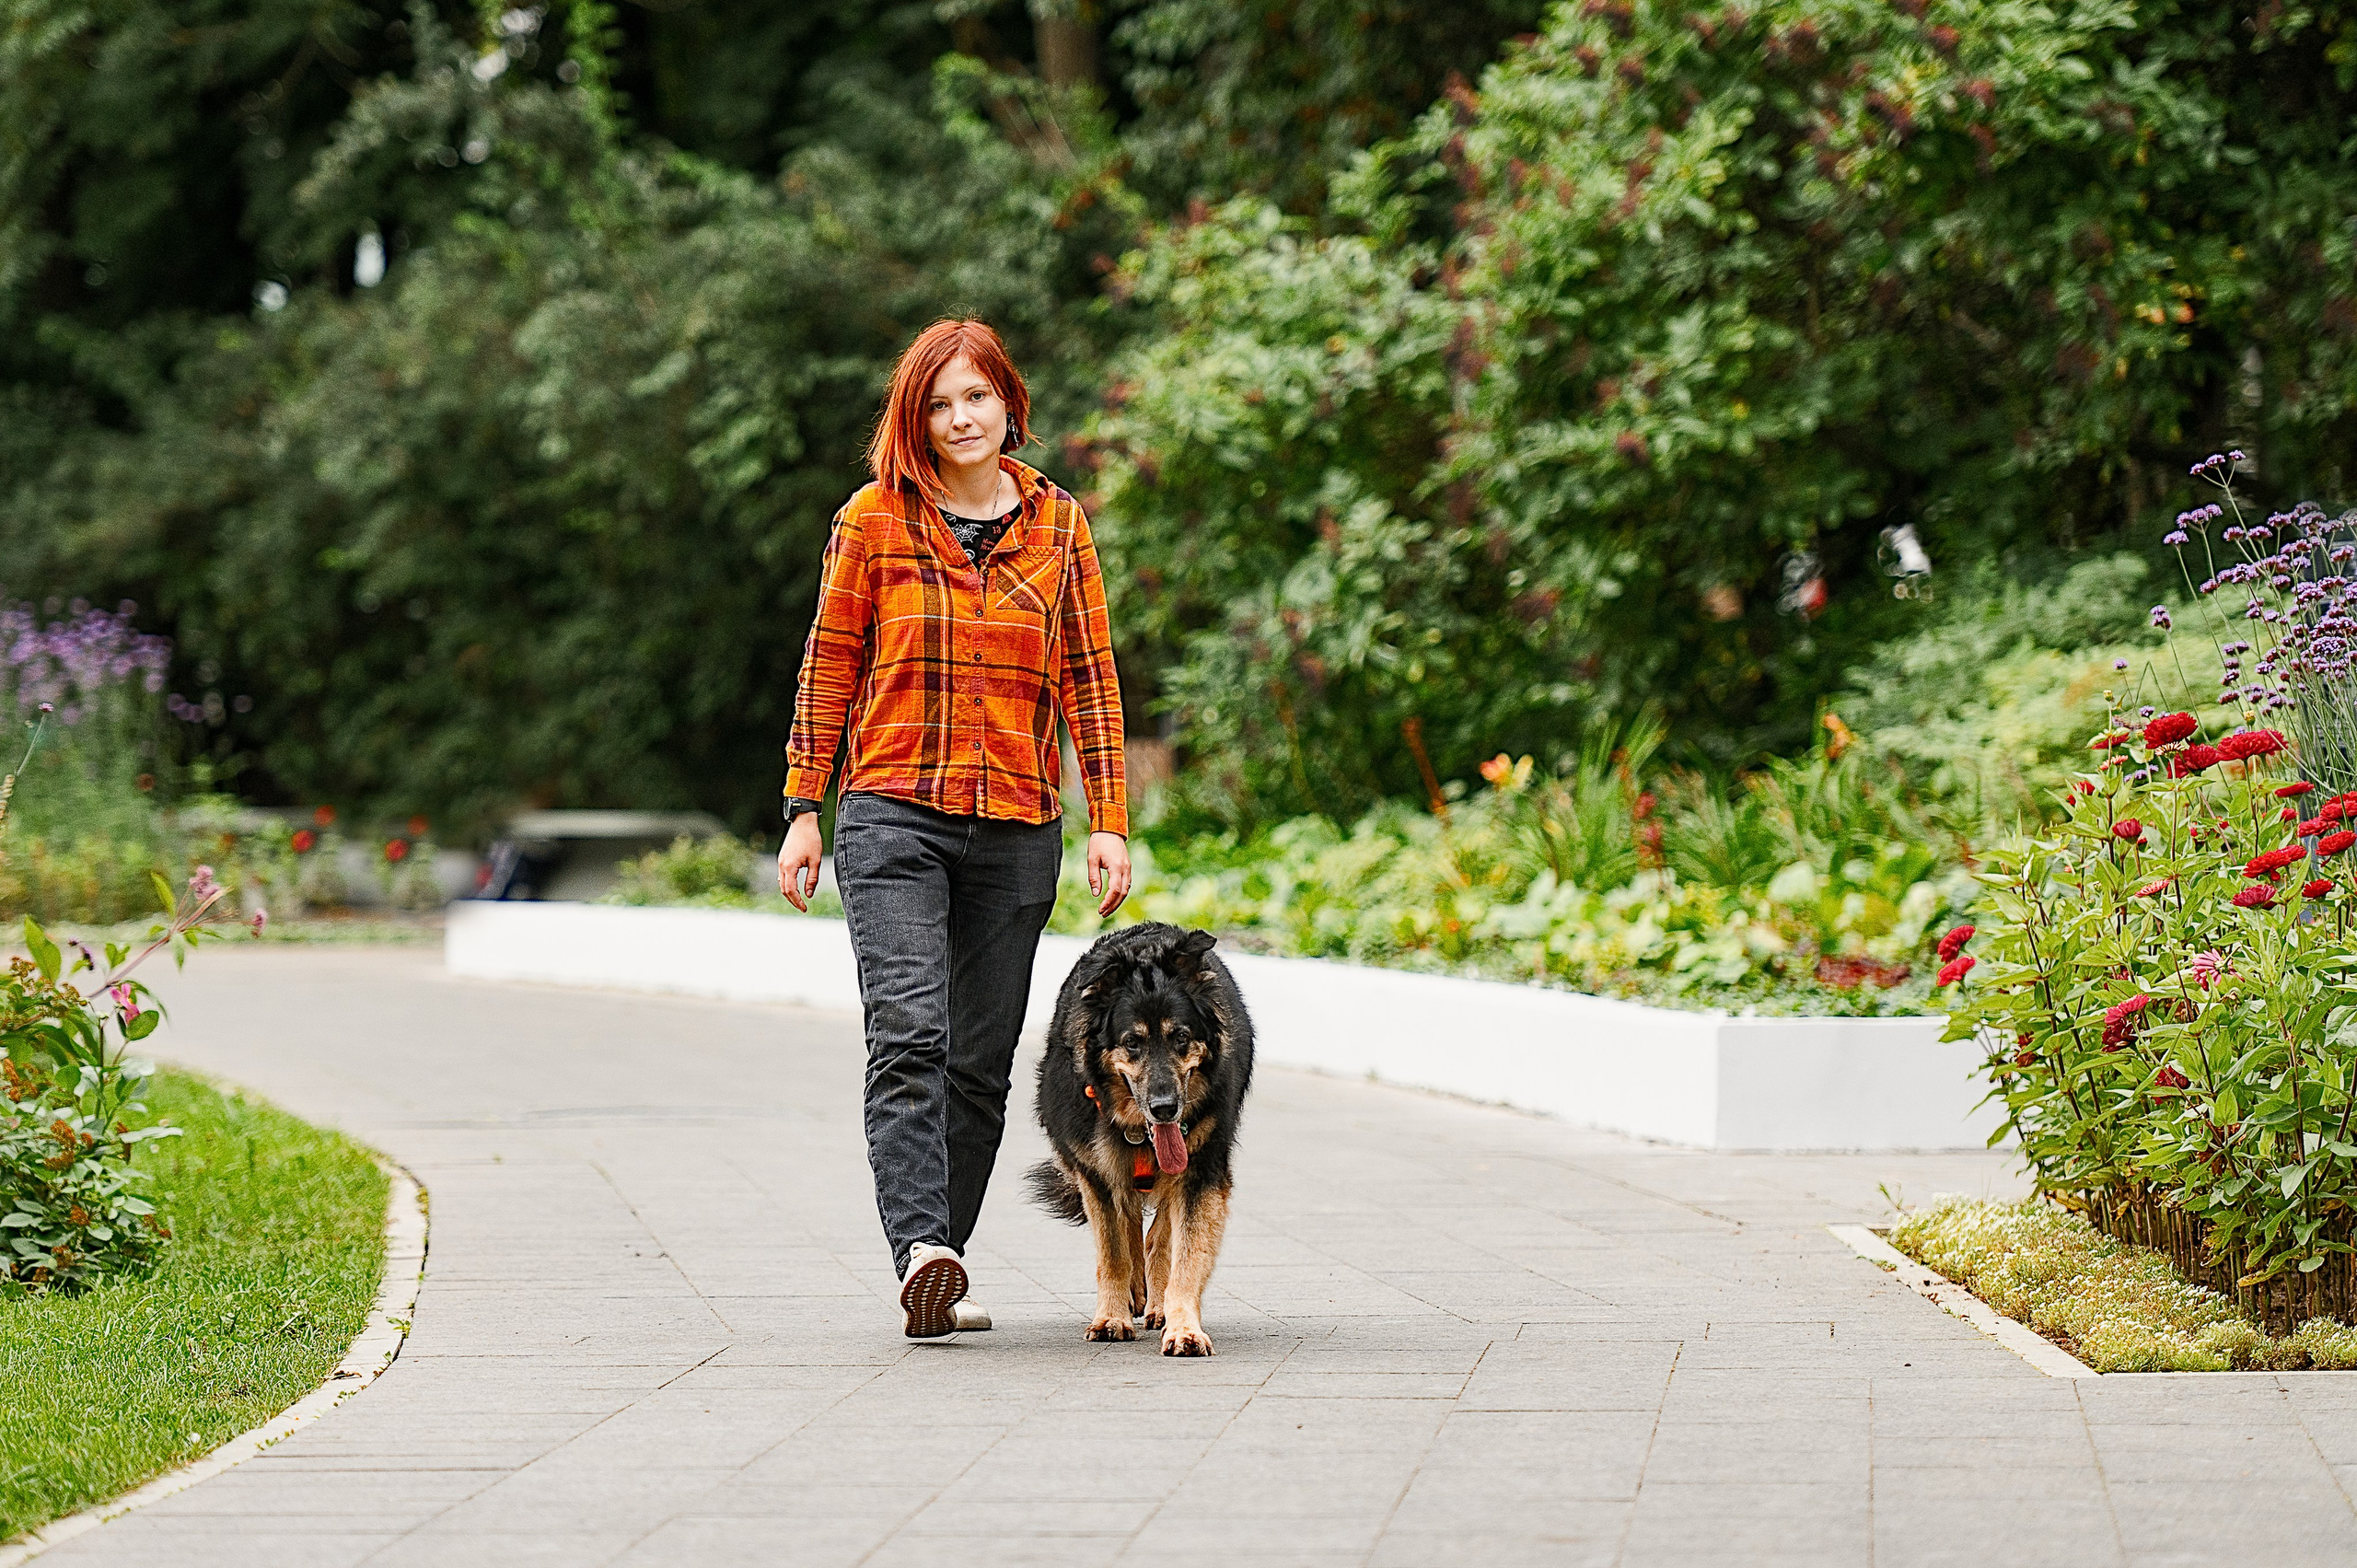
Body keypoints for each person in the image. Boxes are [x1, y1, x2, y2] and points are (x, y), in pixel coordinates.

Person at [777, 318, 1132, 1338]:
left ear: (1007, 402)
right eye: (938, 402)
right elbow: (828, 666)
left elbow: (1090, 678)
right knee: (910, 1032)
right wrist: (806, 807)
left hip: (1018, 822)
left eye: (975, 396)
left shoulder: (1059, 523)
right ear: (914, 418)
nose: (959, 416)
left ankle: (944, 1259)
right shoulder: (872, 521)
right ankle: (920, 1249)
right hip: (892, 814)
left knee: (979, 1059)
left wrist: (1106, 815)